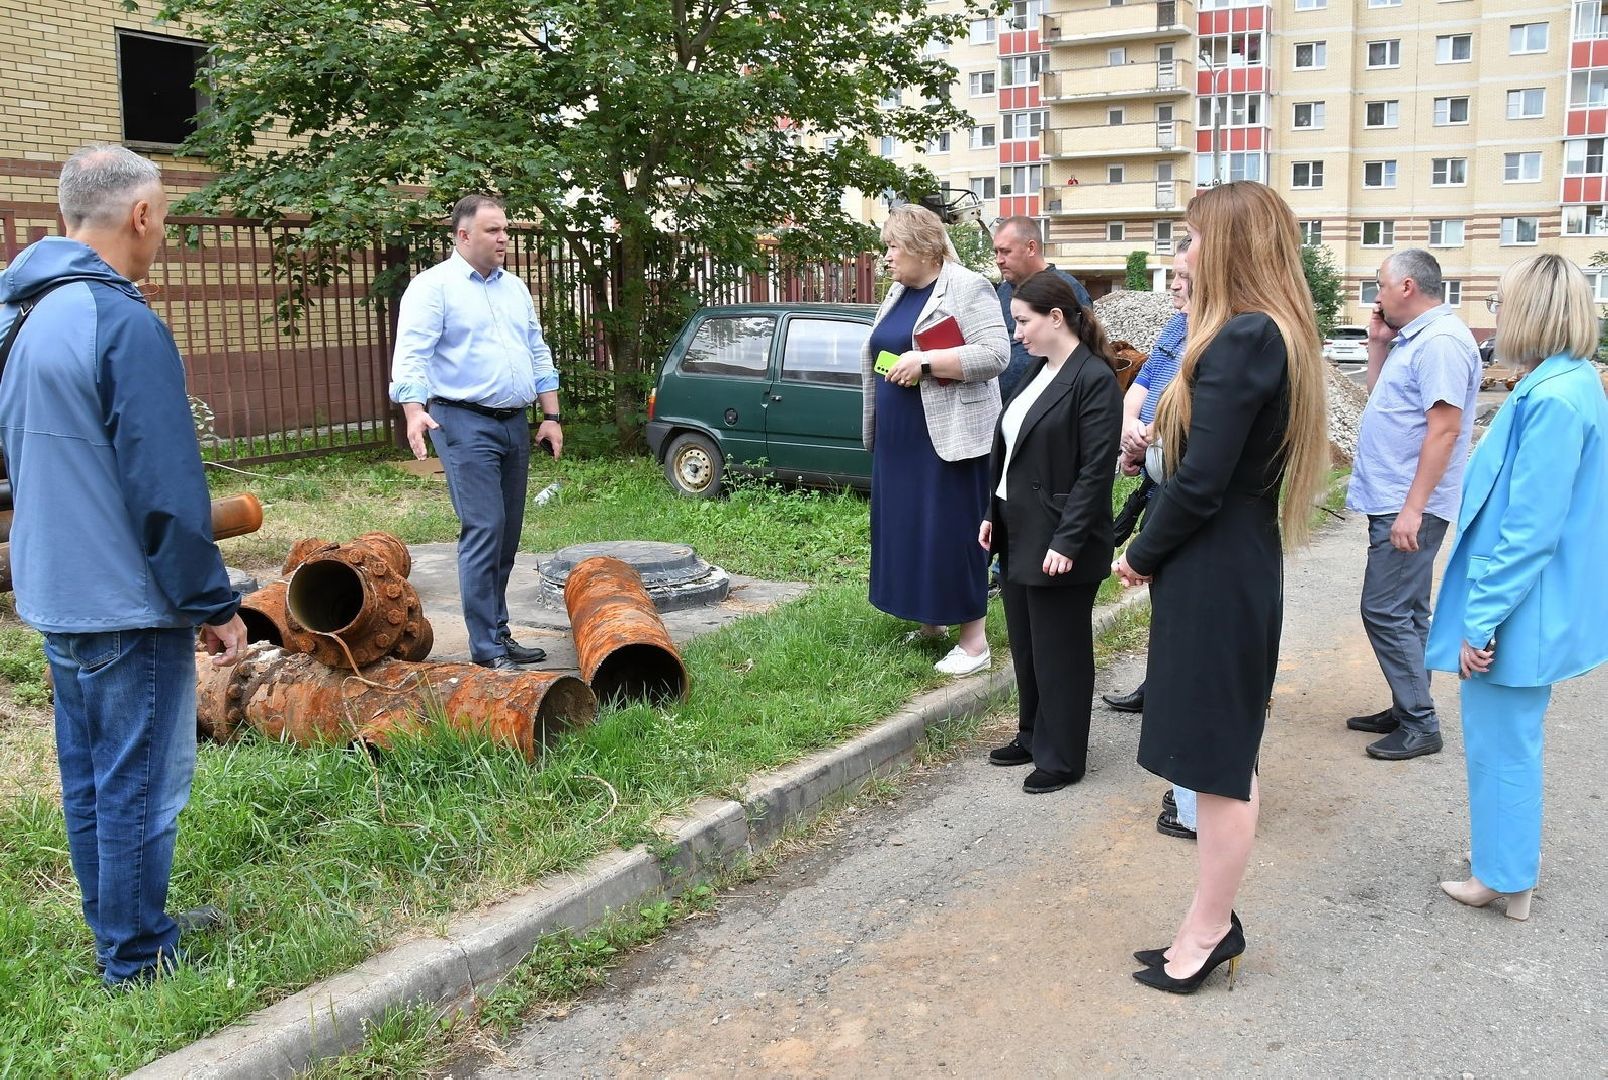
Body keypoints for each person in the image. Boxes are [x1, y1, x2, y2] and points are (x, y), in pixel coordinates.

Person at [0, 145, 247, 986]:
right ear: (139, 215)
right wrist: (212, 602)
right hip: (124, 601)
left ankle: (124, 926)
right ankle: (137, 959)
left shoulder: (24, 317)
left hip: (55, 594)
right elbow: (166, 487)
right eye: (164, 216)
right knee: (142, 783)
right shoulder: (121, 320)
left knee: (93, 780)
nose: (163, 231)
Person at [1112, 181, 1329, 994]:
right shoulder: (1263, 334)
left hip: (1214, 564)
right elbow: (1210, 465)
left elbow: (1203, 484)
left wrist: (1140, 552)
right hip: (1227, 562)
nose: (1181, 254)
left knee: (1218, 764)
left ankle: (1210, 930)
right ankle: (1206, 920)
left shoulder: (1244, 338)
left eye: (1192, 240)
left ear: (1232, 244)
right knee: (1215, 756)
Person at [1427, 254, 1608, 921]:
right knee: (1508, 741)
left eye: (1502, 303)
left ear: (1533, 311)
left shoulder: (1555, 399)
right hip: (1530, 605)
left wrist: (1482, 621)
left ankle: (1504, 879)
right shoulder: (1564, 383)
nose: (1497, 316)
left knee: (1502, 745)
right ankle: (1507, 871)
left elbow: (1530, 530)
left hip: (1520, 609)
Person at [390, 195, 563, 670]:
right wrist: (412, 410)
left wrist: (551, 416)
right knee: (484, 528)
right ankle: (485, 649)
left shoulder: (515, 289)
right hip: (462, 421)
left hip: (514, 423)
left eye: (505, 229)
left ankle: (499, 633)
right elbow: (412, 356)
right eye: (492, 230)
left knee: (507, 534)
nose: (503, 237)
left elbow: (537, 350)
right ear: (463, 236)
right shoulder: (433, 288)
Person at [980, 271, 1121, 794]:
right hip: (1019, 531)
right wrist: (991, 513)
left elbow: (1095, 471)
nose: (1017, 334)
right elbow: (1012, 450)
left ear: (1056, 318)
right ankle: (1033, 733)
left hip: (1061, 540)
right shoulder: (1038, 372)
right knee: (1027, 644)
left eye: (1023, 321)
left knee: (1061, 651)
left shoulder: (1094, 378)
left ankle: (1063, 757)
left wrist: (1067, 540)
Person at [861, 203, 1010, 675]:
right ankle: (931, 622)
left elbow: (995, 354)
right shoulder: (897, 290)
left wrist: (924, 363)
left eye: (893, 246)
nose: (886, 257)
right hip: (900, 439)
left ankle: (974, 641)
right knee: (910, 528)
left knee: (952, 532)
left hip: (948, 438)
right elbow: (883, 353)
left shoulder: (967, 287)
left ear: (924, 248)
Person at [1344, 250, 1480, 760]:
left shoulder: (1441, 342)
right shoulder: (1414, 339)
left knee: (1383, 609)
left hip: (1409, 505)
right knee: (1410, 611)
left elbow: (1444, 430)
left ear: (1406, 286)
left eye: (1379, 285)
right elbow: (1385, 400)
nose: (1375, 297)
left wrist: (1413, 509)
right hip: (1398, 500)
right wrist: (1379, 345)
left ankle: (1420, 722)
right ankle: (1408, 703)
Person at [1102, 239, 1200, 841]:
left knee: (1198, 649)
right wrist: (1135, 435)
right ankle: (1191, 785)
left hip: (1192, 506)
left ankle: (1198, 798)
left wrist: (1140, 553)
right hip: (1163, 476)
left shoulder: (1231, 339)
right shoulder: (1178, 327)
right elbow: (1140, 393)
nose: (1174, 285)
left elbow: (1202, 456)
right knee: (1177, 631)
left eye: (1183, 275)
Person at [993, 216, 1094, 398]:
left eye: (1005, 251)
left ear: (1031, 248)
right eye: (996, 252)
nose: (999, 260)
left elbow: (1081, 357)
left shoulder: (1067, 290)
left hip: (1046, 411)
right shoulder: (1003, 291)